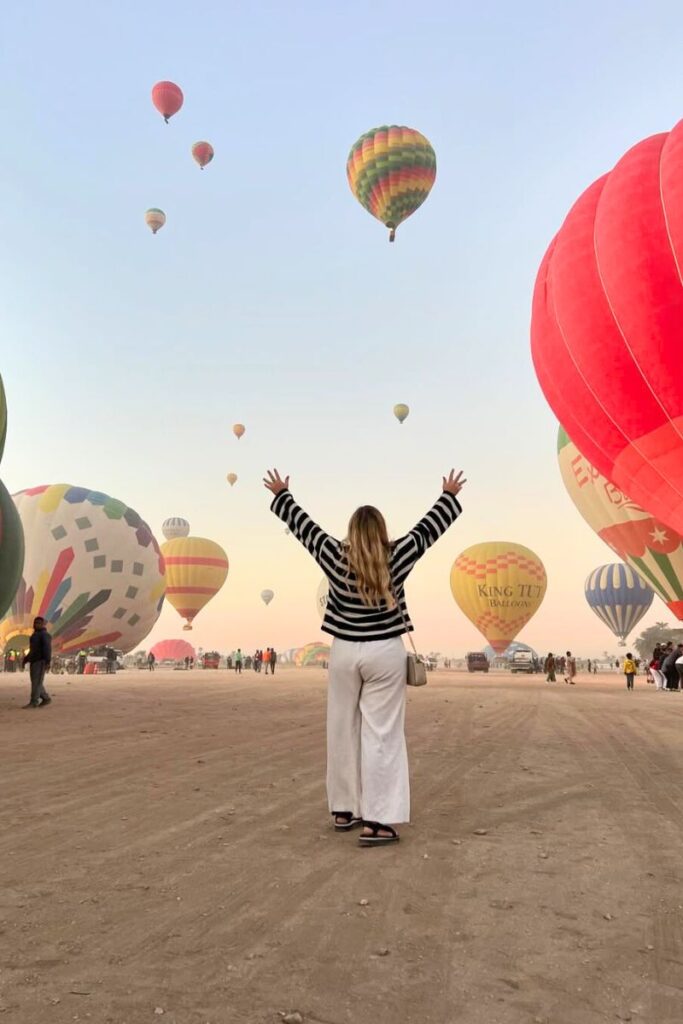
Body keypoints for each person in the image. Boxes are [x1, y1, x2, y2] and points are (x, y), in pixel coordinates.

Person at [264, 465, 465, 847]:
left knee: (340, 727)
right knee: (383, 734)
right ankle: (378, 820)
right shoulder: (398, 556)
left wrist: (281, 495)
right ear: (382, 531)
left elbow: (305, 530)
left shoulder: (334, 556)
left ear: (352, 532)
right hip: (385, 651)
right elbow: (428, 532)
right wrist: (449, 496)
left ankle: (344, 809)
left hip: (343, 651)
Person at [22, 616, 52, 708]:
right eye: (35, 623)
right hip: (34, 661)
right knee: (36, 682)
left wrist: (47, 661)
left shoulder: (44, 635)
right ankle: (46, 698)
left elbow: (47, 648)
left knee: (36, 682)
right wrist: (25, 659)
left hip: (40, 661)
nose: (36, 624)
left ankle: (34, 702)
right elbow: (32, 650)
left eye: (38, 623)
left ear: (42, 624)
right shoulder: (35, 635)